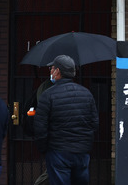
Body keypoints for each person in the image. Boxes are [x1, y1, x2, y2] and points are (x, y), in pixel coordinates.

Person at [33, 55, 99, 185]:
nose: (50, 71)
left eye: (52, 68)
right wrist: (86, 144)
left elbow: (40, 127)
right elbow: (94, 123)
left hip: (58, 151)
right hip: (81, 152)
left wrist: (44, 148)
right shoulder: (86, 94)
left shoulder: (48, 95)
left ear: (57, 71)